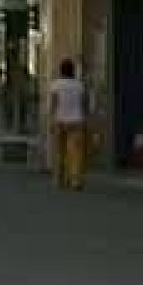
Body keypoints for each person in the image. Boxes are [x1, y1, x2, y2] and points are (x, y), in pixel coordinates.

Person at [49, 59, 89, 190]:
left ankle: (59, 178)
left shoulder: (56, 85)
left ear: (61, 70)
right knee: (75, 153)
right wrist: (86, 119)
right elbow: (83, 104)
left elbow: (54, 104)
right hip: (76, 120)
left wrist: (51, 119)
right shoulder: (79, 85)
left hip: (60, 120)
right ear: (73, 71)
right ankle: (75, 180)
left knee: (60, 151)